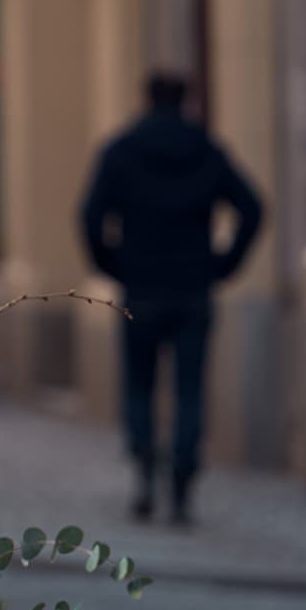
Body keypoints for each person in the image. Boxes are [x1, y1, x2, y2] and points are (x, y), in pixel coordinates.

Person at [79, 72, 263, 524]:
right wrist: (223, 264)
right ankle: (182, 480)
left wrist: (112, 263)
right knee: (189, 389)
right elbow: (252, 208)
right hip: (192, 288)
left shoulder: (122, 151)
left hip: (139, 287)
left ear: (147, 99)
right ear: (186, 101)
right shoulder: (205, 150)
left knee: (139, 384)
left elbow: (90, 215)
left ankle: (144, 467)